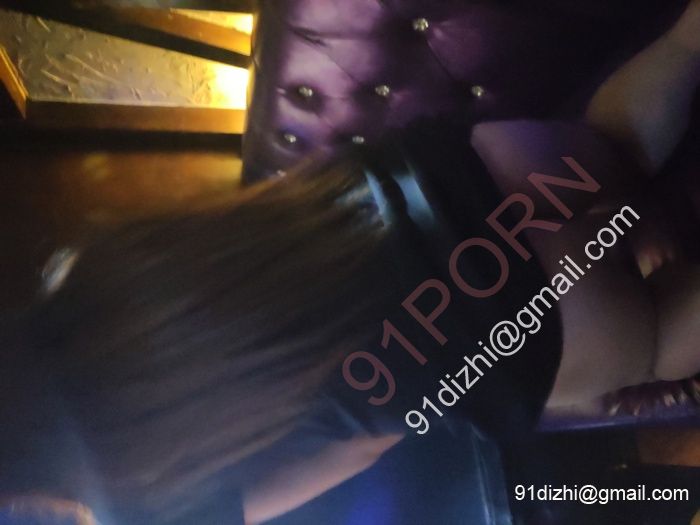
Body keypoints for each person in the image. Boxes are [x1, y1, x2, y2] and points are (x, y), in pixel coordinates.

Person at [2, 2, 700, 524]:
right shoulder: (83, 274)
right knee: (615, 141)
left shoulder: (152, 506)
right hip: (479, 172)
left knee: (662, 355)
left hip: (526, 323)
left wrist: (517, 389)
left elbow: (360, 448)